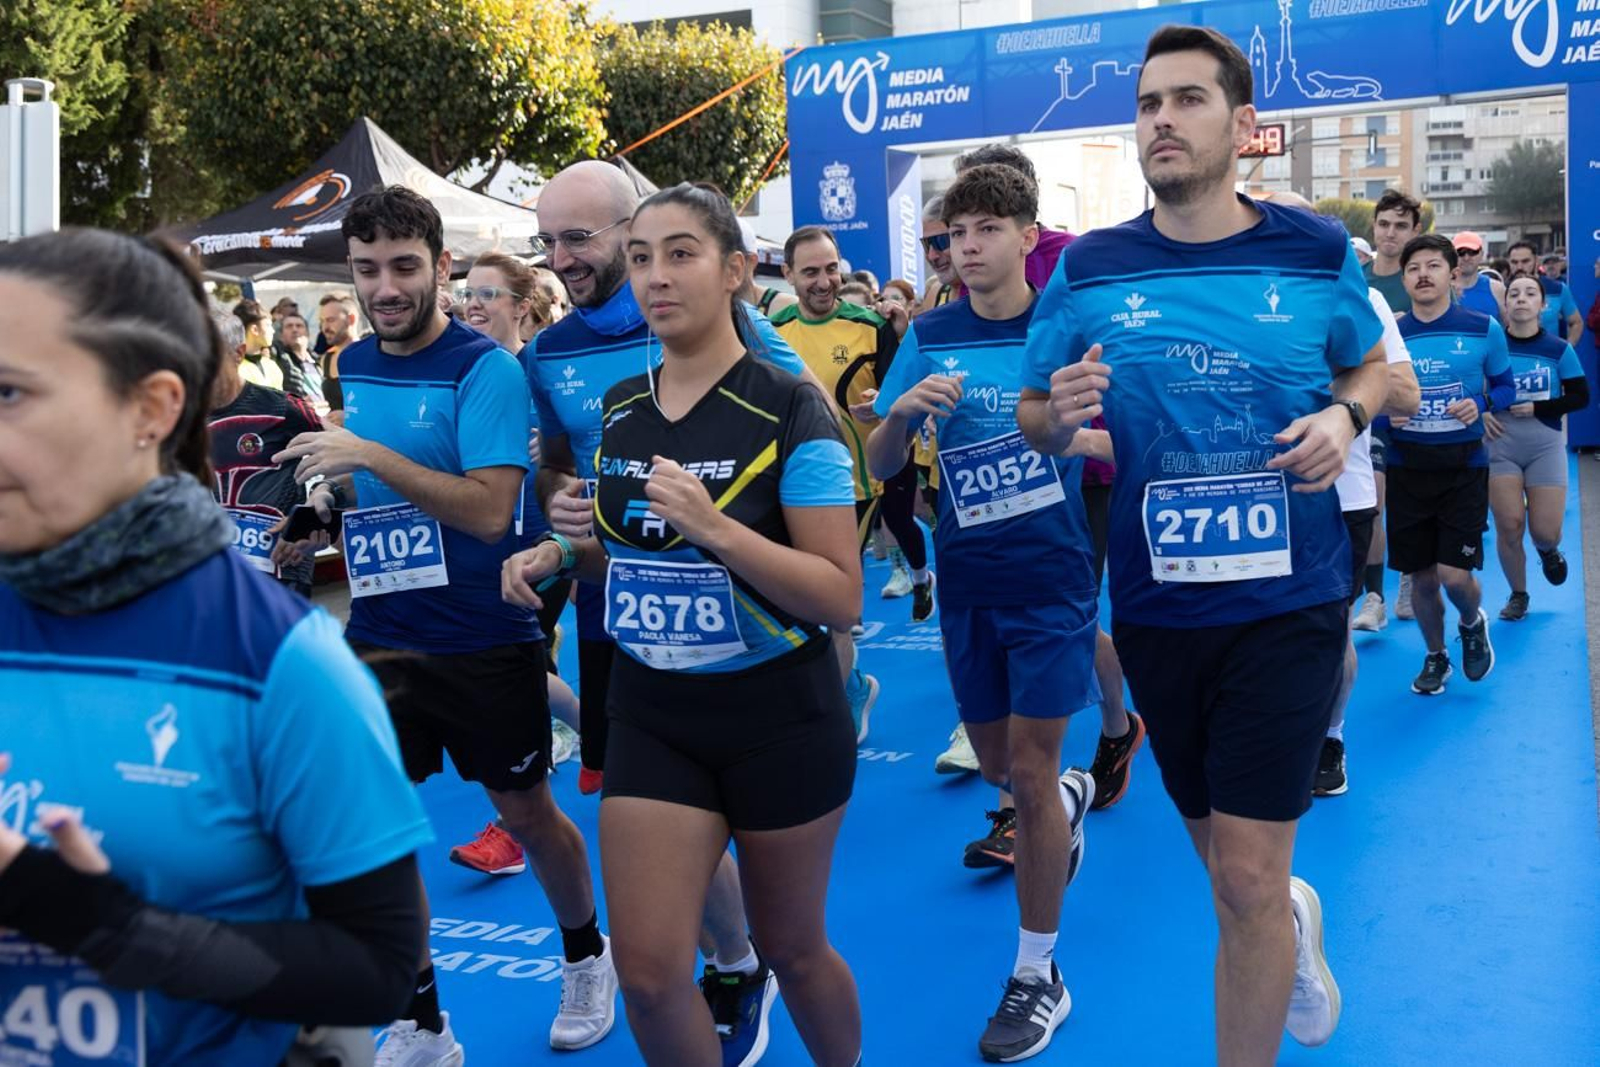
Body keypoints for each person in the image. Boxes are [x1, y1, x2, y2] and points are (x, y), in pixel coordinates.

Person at [1017, 25, 1389, 1063]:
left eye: (1186, 99)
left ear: (1241, 124)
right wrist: (1059, 415)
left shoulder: (1312, 249)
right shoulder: (1091, 267)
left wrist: (1343, 419)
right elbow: (1035, 412)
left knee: (1246, 878)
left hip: (1291, 596)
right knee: (1223, 863)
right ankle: (1294, 923)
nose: (1162, 120)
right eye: (1146, 104)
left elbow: (1368, 372)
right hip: (1157, 606)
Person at [0, 227, 432, 1066]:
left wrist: (106, 925)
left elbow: (377, 971)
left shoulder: (282, 660)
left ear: (152, 408)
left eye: (9, 393)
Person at [503, 181, 864, 1067]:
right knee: (655, 975)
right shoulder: (621, 408)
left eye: (681, 254)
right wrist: (564, 549)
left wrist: (717, 527)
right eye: (641, 257)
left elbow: (839, 594)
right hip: (653, 707)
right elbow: (625, 558)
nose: (655, 276)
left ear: (737, 270)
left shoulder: (790, 405)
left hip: (779, 713)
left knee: (793, 948)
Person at [270, 186, 615, 1062]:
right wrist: (321, 513)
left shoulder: (485, 370)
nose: (384, 287)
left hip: (483, 633)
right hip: (381, 633)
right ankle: (422, 1019)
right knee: (367, 830)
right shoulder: (356, 364)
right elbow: (371, 487)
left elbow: (491, 511)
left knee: (526, 810)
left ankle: (587, 954)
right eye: (366, 269)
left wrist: (366, 453)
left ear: (441, 266)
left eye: (403, 267)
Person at [866, 162, 1097, 1063]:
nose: (966, 247)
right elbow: (883, 458)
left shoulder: (1064, 328)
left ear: (1028, 237)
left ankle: (1038, 972)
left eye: (985, 229)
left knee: (1030, 776)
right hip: (969, 584)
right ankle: (1065, 801)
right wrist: (904, 414)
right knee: (1001, 764)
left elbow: (1099, 427)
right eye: (954, 234)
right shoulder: (929, 332)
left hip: (1052, 580)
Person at [443, 250, 587, 878]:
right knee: (520, 670)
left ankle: (512, 828)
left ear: (522, 306)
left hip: (548, 542)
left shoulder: (545, 368)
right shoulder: (462, 372)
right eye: (467, 293)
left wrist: (548, 456)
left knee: (510, 669)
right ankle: (609, 737)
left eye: (489, 295)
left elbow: (590, 443)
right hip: (483, 546)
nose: (472, 304)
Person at [775, 225, 925, 732]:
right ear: (789, 274)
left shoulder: (870, 325)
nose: (824, 281)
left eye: (831, 268)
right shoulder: (774, 332)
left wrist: (881, 412)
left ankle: (833, 719)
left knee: (829, 608)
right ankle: (854, 687)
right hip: (791, 487)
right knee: (794, 605)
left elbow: (897, 402)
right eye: (811, 271)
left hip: (855, 487)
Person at [1385, 233, 1515, 695]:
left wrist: (1479, 401)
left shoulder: (1484, 328)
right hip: (1406, 468)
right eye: (1413, 267)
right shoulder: (1391, 335)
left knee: (1454, 576)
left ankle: (1471, 619)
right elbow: (1369, 398)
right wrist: (1387, 412)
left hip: (1463, 467)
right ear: (1404, 278)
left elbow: (1506, 388)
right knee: (1421, 578)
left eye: (1432, 266)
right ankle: (1436, 657)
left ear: (1452, 273)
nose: (1422, 274)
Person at [1484, 273, 1588, 620]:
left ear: (1544, 306)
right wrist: (1482, 413)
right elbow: (1470, 389)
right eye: (1514, 293)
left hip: (1544, 445)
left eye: (1531, 293)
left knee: (1544, 531)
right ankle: (1519, 594)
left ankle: (1548, 551)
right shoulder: (1491, 345)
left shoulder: (1558, 349)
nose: (1521, 299)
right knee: (1509, 524)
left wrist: (1539, 407)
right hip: (1500, 443)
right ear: (1506, 303)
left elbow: (1580, 396)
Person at [207, 307, 326, 598]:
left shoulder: (282, 408)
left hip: (282, 569)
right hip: (216, 574)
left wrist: (312, 520)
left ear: (238, 353)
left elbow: (347, 462)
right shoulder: (176, 418)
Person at [1357, 189, 1422, 626]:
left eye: (1401, 226)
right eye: (1384, 224)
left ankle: (1413, 573)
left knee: (1410, 504)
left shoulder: (1423, 276)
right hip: (1373, 411)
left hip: (1416, 410)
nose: (1390, 233)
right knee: (1374, 501)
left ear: (1415, 231)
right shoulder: (1355, 279)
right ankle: (1374, 596)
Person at [1507, 241, 1583, 346]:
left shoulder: (1557, 289)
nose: (1519, 267)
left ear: (1536, 261)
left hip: (1548, 357)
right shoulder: (1501, 290)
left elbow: (1576, 322)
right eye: (1514, 262)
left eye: (1525, 261)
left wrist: (1566, 351)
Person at [317, 292, 360, 425]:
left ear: (351, 319)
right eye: (322, 321)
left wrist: (349, 416)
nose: (325, 328)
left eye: (330, 320)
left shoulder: (370, 356)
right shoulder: (326, 359)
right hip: (335, 438)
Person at [232, 299, 289, 392]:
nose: (273, 331)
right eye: (268, 325)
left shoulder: (272, 366)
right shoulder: (234, 370)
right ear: (255, 330)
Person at [916, 195, 960, 314]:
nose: (932, 256)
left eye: (940, 241)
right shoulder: (935, 294)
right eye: (926, 244)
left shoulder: (990, 292)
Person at [1451, 231, 1505, 320]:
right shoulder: (1443, 290)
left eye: (1472, 252)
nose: (1466, 258)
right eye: (1460, 252)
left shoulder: (1497, 289)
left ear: (1482, 254)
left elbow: (1510, 327)